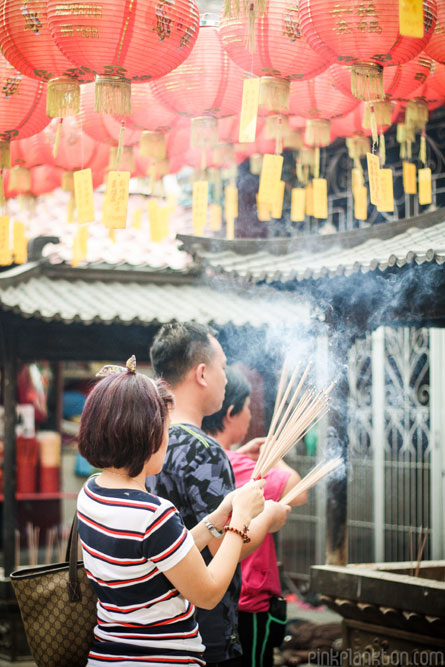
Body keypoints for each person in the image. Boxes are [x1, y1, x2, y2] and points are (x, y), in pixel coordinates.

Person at [77, 355, 266, 667]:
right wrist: (241, 520)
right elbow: (207, 593)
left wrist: (217, 517)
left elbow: (161, 557)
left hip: (108, 657)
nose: (168, 437)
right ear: (145, 435)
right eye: (165, 428)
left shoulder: (92, 492)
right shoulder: (154, 515)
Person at [148, 323, 290, 667]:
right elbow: (223, 544)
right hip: (202, 629)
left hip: (154, 618)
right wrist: (269, 516)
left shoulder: (149, 439)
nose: (226, 379)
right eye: (222, 367)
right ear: (201, 373)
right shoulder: (204, 451)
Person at [202, 366, 308, 667]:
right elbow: (299, 491)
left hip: (217, 600)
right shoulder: (244, 467)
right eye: (248, 408)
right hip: (251, 599)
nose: (250, 417)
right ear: (231, 413)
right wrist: (277, 455)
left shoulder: (210, 459)